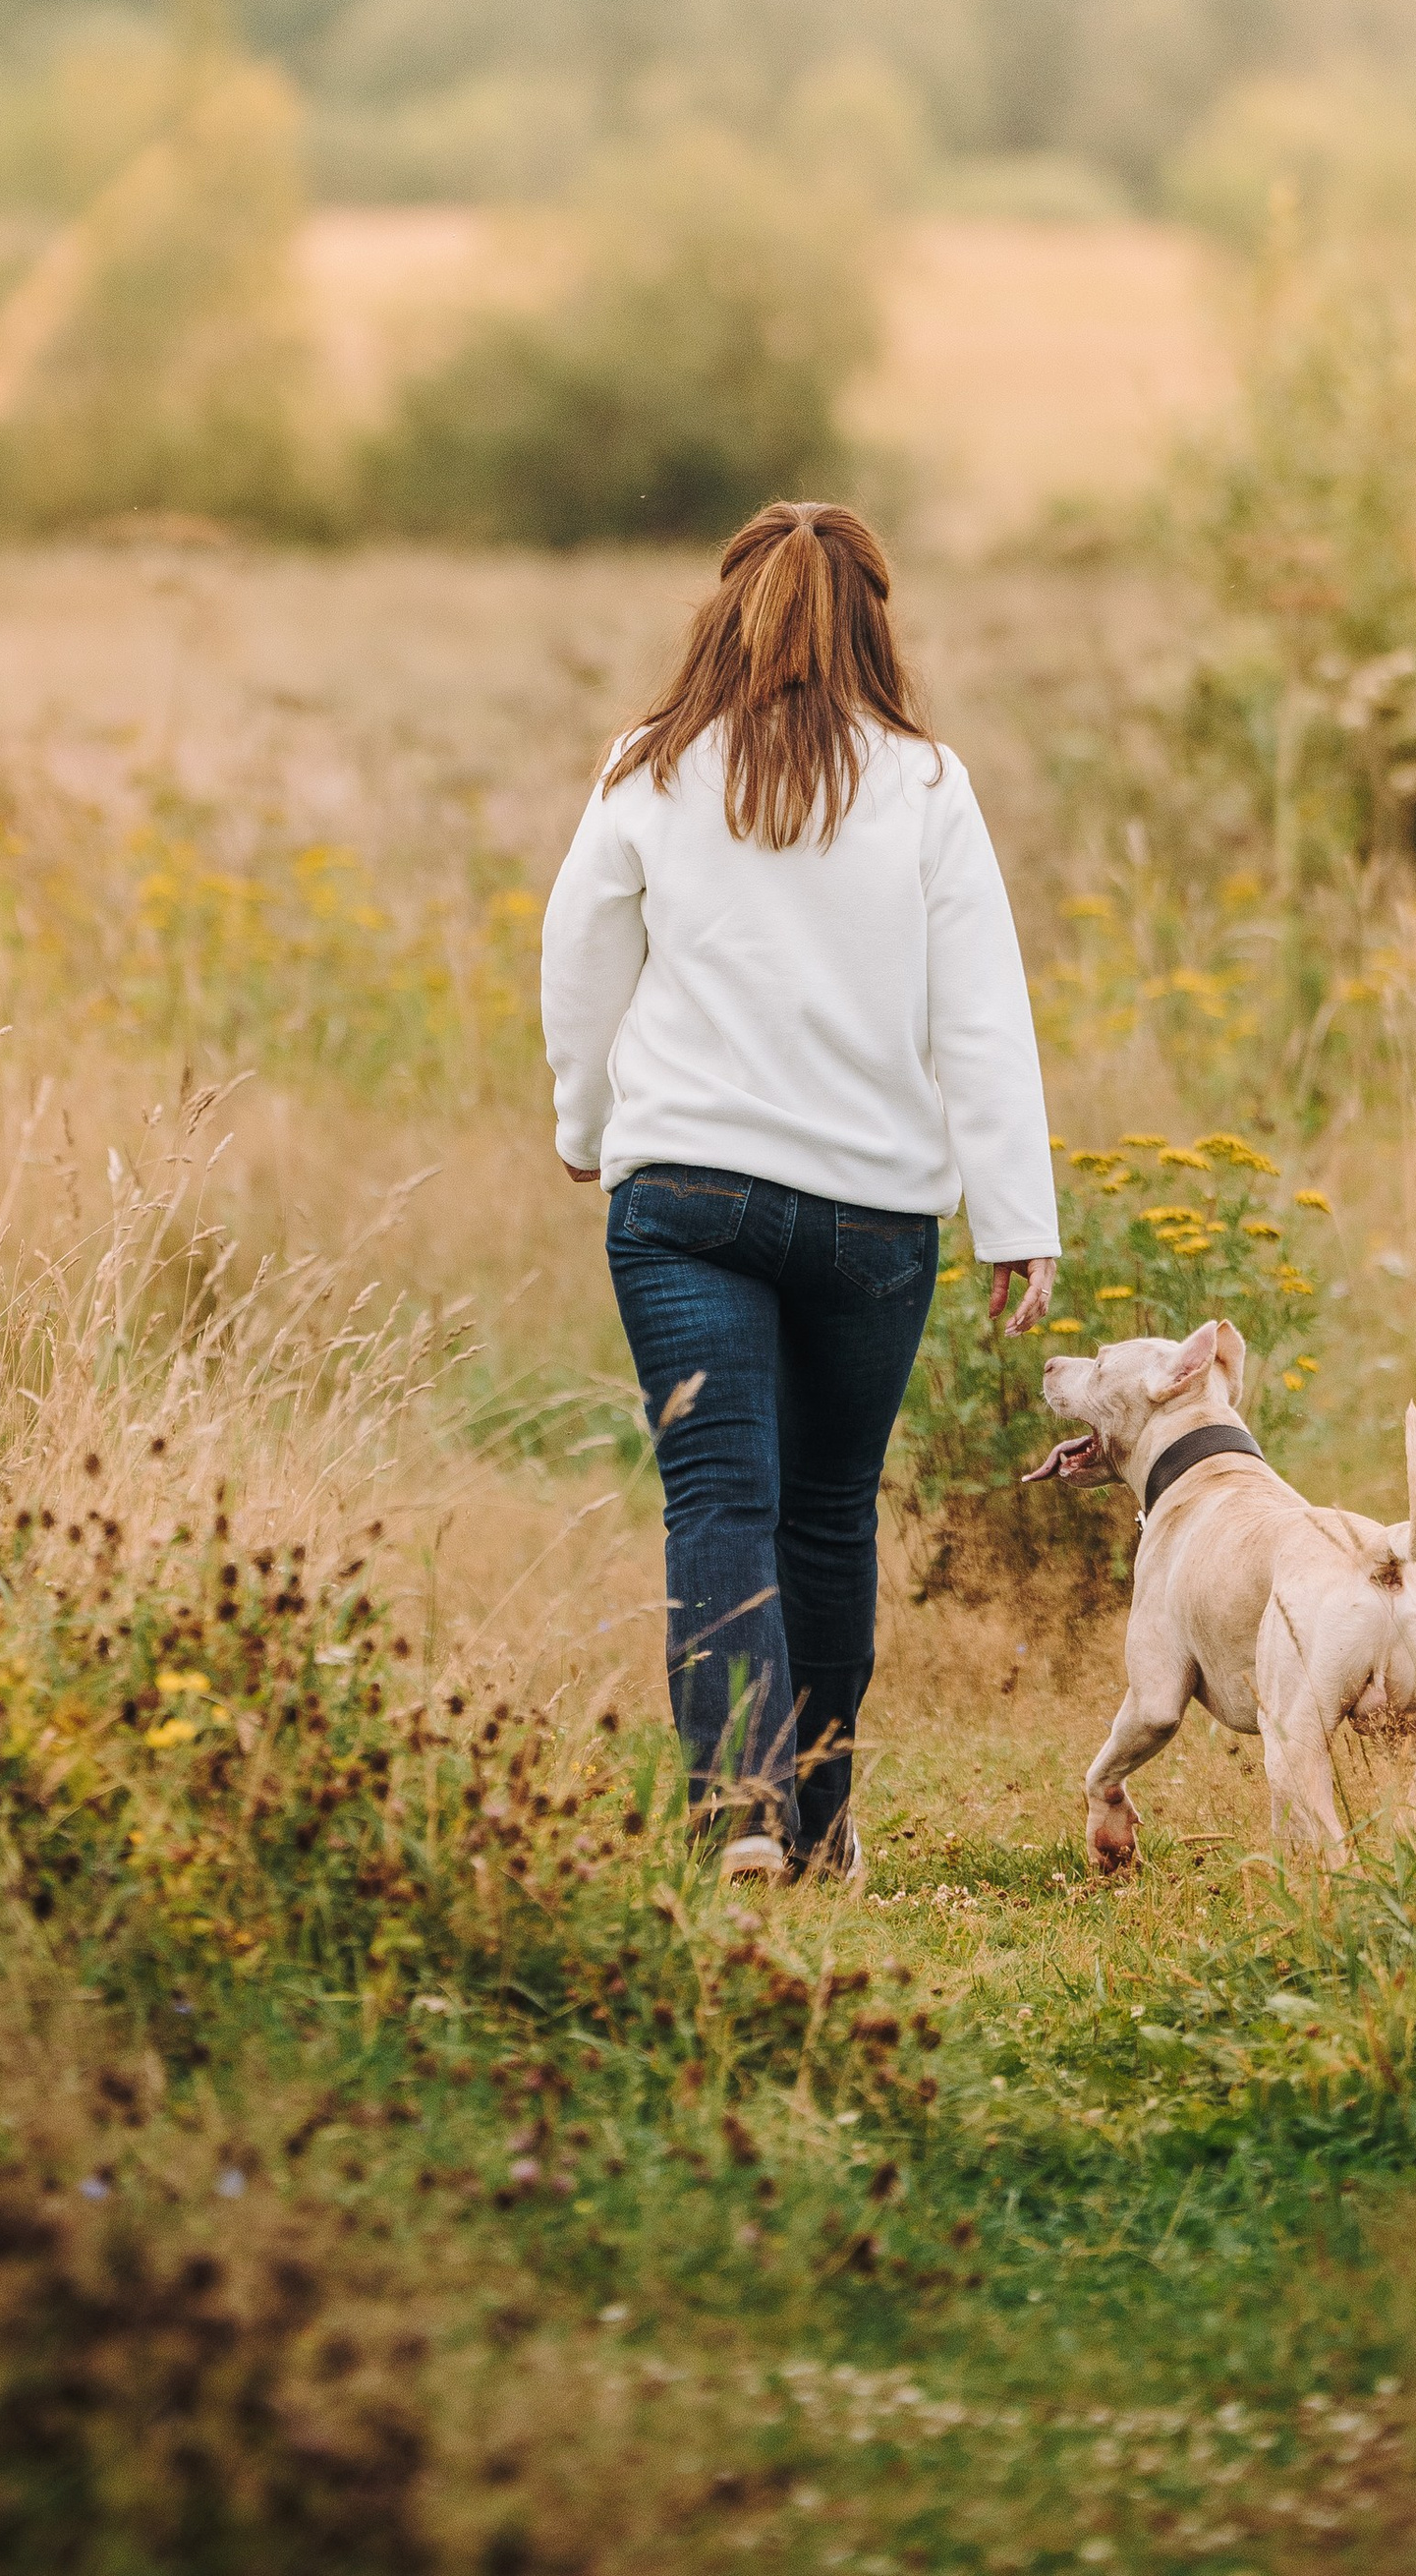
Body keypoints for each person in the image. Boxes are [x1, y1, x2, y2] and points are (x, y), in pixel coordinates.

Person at [540, 499, 1057, 1883]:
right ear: (874, 622)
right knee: (828, 1505)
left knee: (717, 1496)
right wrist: (1017, 1216)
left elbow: (579, 956)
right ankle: (822, 1823)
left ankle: (740, 1816)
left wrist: (586, 1121)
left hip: (685, 1198)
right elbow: (984, 1016)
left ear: (725, 612)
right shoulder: (929, 787)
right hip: (870, 1218)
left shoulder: (646, 768)